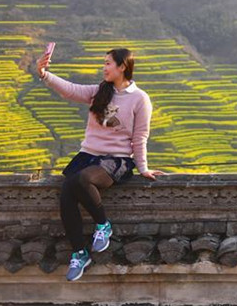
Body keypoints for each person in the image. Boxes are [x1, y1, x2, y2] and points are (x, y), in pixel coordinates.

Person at [36, 47, 163, 281]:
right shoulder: (98, 92)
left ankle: (103, 224)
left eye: (108, 64)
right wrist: (44, 73)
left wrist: (143, 167)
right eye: (103, 63)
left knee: (81, 180)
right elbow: (70, 90)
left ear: (122, 66)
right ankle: (79, 252)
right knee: (66, 192)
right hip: (88, 155)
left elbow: (140, 135)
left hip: (116, 160)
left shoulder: (139, 99)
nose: (104, 68)